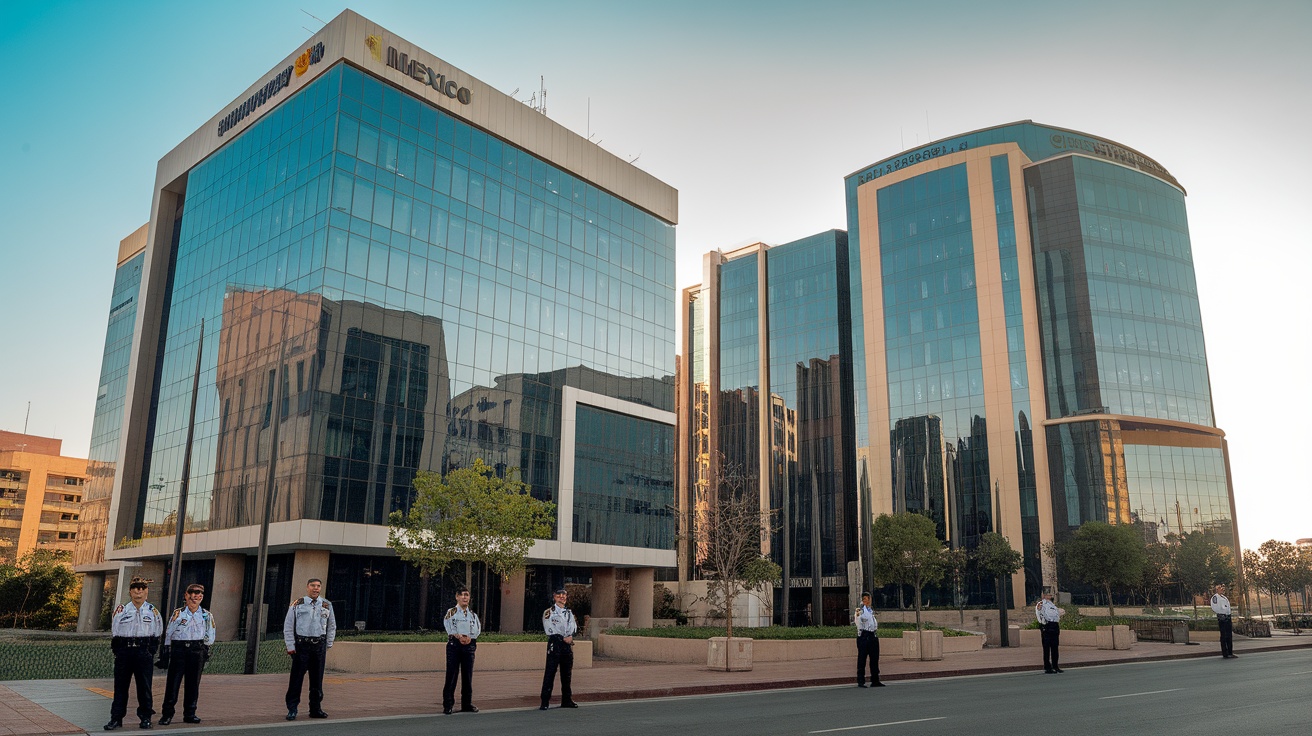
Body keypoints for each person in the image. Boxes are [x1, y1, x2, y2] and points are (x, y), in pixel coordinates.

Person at [105, 577, 163, 731]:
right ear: (130, 591)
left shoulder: (153, 611)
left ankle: (145, 718)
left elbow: (158, 633)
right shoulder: (121, 610)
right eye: (135, 588)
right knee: (120, 687)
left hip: (143, 651)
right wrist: (120, 651)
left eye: (142, 588)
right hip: (125, 651)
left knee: (144, 687)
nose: (139, 591)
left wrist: (150, 651)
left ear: (147, 592)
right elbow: (115, 632)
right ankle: (116, 718)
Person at [158, 583, 217, 726]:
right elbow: (169, 631)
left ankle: (190, 713)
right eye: (193, 592)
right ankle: (167, 714)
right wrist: (166, 648)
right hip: (179, 650)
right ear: (186, 595)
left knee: (193, 684)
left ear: (202, 597)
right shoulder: (178, 613)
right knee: (173, 683)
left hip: (197, 650)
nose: (195, 596)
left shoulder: (206, 615)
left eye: (199, 593)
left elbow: (211, 633)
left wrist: (205, 647)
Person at [283, 578, 337, 721]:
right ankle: (292, 708)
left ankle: (315, 709)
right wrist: (290, 646)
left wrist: (328, 643)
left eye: (318, 586)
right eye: (313, 586)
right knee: (296, 679)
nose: (315, 588)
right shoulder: (297, 604)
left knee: (317, 680)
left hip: (319, 646)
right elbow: (288, 626)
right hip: (302, 646)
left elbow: (332, 626)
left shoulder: (326, 605)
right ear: (307, 587)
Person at [442, 585, 482, 715]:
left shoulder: (472, 615)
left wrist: (471, 638)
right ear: (457, 597)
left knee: (467, 676)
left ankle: (466, 703)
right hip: (455, 645)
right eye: (462, 595)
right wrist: (458, 635)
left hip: (469, 646)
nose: (465, 598)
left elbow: (477, 629)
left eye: (467, 595)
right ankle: (448, 704)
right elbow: (449, 625)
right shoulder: (452, 612)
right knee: (452, 675)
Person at [539, 587, 579, 710]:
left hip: (567, 644)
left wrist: (571, 636)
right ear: (554, 596)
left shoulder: (569, 612)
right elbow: (549, 628)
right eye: (559, 595)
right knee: (550, 672)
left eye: (564, 595)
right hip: (555, 643)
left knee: (567, 674)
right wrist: (563, 638)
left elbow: (574, 627)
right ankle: (545, 701)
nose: (562, 597)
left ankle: (567, 699)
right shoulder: (549, 612)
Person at [854, 592, 884, 688]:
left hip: (872, 635)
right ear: (864, 599)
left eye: (869, 599)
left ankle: (875, 680)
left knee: (874, 659)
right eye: (867, 599)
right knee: (862, 659)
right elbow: (858, 622)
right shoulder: (860, 610)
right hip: (864, 636)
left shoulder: (870, 611)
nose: (869, 601)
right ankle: (861, 680)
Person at [1035, 591, 1064, 674]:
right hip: (1046, 626)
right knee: (1047, 648)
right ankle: (1047, 667)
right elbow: (1039, 614)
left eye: (1051, 594)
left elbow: (1056, 615)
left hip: (1054, 625)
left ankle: (1055, 666)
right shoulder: (1041, 604)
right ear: (1044, 595)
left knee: (1055, 647)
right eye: (1049, 594)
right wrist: (1043, 624)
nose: (1051, 595)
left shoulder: (1052, 605)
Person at [1211, 585, 1236, 659]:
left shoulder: (1224, 597)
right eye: (1220, 588)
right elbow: (1215, 607)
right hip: (1222, 617)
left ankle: (1230, 652)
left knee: (1229, 635)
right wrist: (1222, 613)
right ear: (1216, 590)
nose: (1222, 589)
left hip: (1228, 617)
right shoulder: (1215, 597)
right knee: (1224, 635)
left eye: (1222, 588)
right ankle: (1225, 653)